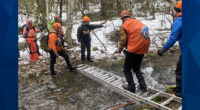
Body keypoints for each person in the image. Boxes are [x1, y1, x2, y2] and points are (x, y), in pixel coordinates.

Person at [118, 10, 151, 93]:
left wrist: (120, 49)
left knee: (126, 69)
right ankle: (143, 87)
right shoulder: (138, 22)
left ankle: (131, 87)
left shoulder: (124, 25)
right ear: (129, 16)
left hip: (133, 49)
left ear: (122, 18)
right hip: (142, 48)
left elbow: (123, 39)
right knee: (136, 68)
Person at [158, 1, 182, 97]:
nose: (173, 12)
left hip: (188, 51)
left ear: (178, 10)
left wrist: (163, 49)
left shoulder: (179, 21)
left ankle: (179, 93)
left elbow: (172, 39)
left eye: (174, 10)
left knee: (180, 71)